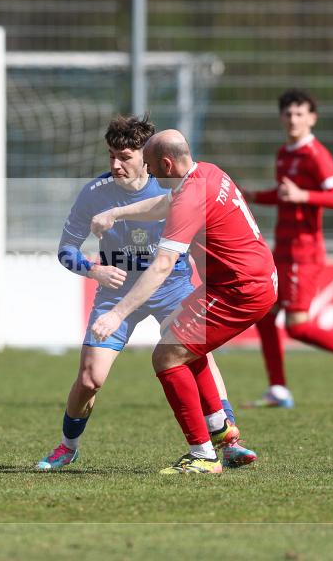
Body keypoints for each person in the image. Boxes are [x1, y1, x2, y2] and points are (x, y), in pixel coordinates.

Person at [37, 116, 257, 471]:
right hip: (116, 292)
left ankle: (229, 441)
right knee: (91, 378)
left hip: (171, 286)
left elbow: (190, 239)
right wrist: (94, 269)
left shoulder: (170, 185)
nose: (115, 165)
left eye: (124, 156)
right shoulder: (94, 193)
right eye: (110, 156)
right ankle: (67, 446)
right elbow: (66, 250)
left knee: (195, 353)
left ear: (147, 156)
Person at [90, 129, 277, 474]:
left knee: (167, 356)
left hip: (239, 289)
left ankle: (202, 456)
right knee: (182, 341)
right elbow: (165, 204)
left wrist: (117, 314)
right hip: (243, 280)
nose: (148, 174)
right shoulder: (208, 172)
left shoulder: (191, 195)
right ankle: (222, 432)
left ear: (165, 163)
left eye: (150, 167)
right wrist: (118, 213)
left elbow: (161, 265)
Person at [246, 89, 333, 408]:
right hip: (282, 249)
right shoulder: (285, 152)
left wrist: (305, 196)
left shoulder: (315, 155)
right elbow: (286, 194)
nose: (293, 119)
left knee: (297, 326)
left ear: (312, 118)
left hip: (303, 253)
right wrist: (253, 196)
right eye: (288, 114)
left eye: (300, 114)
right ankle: (278, 390)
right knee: (266, 315)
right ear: (281, 117)